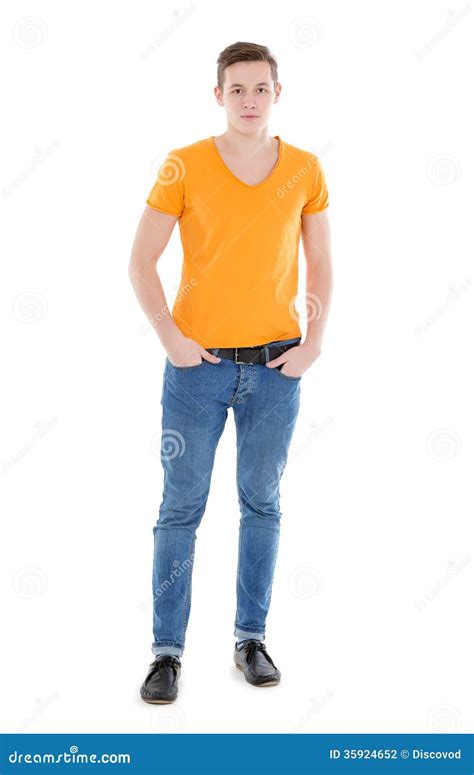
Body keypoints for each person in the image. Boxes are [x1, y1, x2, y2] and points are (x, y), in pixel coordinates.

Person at [129, 41, 332, 704]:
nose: (249, 100)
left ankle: (251, 639)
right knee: (180, 508)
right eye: (237, 89)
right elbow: (141, 260)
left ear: (279, 93)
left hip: (276, 367)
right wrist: (172, 339)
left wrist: (313, 344)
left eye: (260, 88)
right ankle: (166, 651)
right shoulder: (183, 164)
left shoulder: (304, 168)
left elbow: (322, 264)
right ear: (218, 95)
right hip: (197, 369)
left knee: (262, 503)